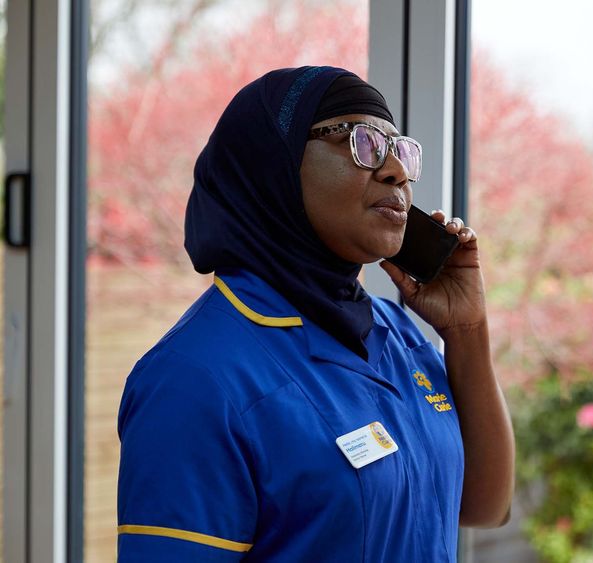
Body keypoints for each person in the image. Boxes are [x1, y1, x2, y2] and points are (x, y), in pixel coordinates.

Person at [116, 65, 515, 562]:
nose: (394, 171)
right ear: (273, 166)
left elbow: (484, 505)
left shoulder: (397, 336)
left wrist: (467, 332)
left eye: (399, 151)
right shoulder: (195, 379)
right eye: (362, 142)